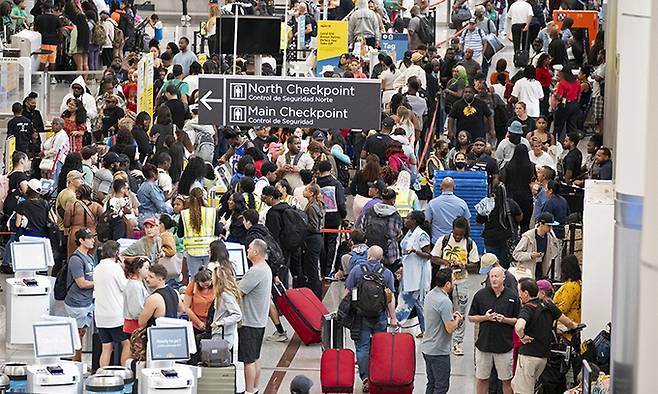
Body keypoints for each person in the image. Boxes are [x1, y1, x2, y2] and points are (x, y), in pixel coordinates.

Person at [344, 245, 398, 392]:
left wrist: (345, 312)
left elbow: (348, 292)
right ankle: (378, 377)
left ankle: (365, 378)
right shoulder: (386, 274)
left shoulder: (357, 270)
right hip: (379, 316)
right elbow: (390, 298)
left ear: (368, 256)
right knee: (380, 347)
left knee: (362, 347)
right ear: (381, 258)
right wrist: (392, 318)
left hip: (360, 317)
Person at [512, 278, 578, 394]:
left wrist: (522, 337)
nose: (519, 295)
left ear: (526, 293)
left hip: (529, 356)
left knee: (522, 391)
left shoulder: (527, 309)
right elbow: (567, 322)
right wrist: (574, 326)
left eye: (520, 292)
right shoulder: (548, 305)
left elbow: (519, 326)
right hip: (543, 357)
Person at [431, 217, 480, 355]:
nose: (458, 237)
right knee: (441, 311)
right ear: (452, 230)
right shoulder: (444, 240)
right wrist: (446, 262)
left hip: (461, 283)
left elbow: (475, 264)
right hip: (444, 283)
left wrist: (463, 265)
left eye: (461, 234)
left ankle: (457, 343)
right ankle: (441, 340)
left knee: (460, 313)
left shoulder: (470, 244)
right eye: (456, 234)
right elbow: (433, 257)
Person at [468, 266, 520, 394]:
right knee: (481, 379)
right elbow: (471, 317)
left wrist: (504, 319)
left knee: (506, 380)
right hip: (484, 346)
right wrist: (485, 317)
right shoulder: (480, 295)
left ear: (503, 278)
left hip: (504, 347)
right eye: (491, 277)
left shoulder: (512, 296)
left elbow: (518, 320)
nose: (494, 279)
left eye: (496, 276)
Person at [422, 268, 465, 394]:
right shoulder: (445, 301)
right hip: (439, 351)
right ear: (447, 284)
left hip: (427, 348)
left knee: (431, 383)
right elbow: (450, 328)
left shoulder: (430, 295)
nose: (454, 282)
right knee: (441, 387)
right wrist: (458, 319)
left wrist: (451, 316)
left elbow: (438, 316)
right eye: (453, 280)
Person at [238, 239, 273, 394]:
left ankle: (248, 390)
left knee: (248, 360)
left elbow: (238, 292)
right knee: (255, 356)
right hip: (259, 319)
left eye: (249, 248)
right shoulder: (265, 268)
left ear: (256, 252)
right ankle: (255, 388)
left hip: (250, 320)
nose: (247, 250)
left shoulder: (256, 271)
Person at [395, 211, 432, 337]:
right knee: (418, 303)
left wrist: (416, 251)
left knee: (409, 301)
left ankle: (397, 323)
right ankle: (425, 329)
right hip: (409, 272)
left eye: (408, 218)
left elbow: (428, 255)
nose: (405, 220)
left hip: (418, 274)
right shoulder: (409, 234)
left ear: (414, 221)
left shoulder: (421, 235)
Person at [94, 240, 130, 366]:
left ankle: (102, 373)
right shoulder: (115, 268)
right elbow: (125, 287)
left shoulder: (97, 268)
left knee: (106, 347)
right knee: (126, 344)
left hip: (100, 315)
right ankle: (125, 372)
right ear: (116, 253)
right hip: (115, 315)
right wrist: (123, 268)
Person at [64, 228, 96, 362]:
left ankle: (78, 362)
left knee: (82, 333)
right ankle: (77, 363)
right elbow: (81, 283)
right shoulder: (76, 260)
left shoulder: (90, 257)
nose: (92, 240)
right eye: (89, 238)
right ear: (81, 241)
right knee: (78, 334)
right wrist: (99, 283)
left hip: (87, 301)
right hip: (77, 302)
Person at [476, 183, 523, 268]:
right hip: (507, 240)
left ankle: (492, 278)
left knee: (491, 265)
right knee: (504, 265)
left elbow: (479, 220)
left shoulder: (487, 205)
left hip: (491, 239)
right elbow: (519, 217)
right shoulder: (511, 203)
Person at [178, 187, 222, 274]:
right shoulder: (212, 212)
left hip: (192, 251)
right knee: (211, 278)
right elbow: (217, 231)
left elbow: (180, 234)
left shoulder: (184, 214)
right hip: (209, 250)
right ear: (203, 197)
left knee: (195, 279)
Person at [316, 160, 348, 277]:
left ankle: (322, 266)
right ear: (330, 169)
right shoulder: (336, 184)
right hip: (334, 217)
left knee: (322, 243)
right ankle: (328, 269)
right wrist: (343, 215)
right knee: (332, 243)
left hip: (320, 217)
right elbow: (340, 202)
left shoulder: (316, 184)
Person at [359, 188, 403, 268]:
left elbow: (362, 228)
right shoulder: (395, 215)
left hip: (371, 252)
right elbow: (396, 234)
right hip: (389, 255)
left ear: (382, 198)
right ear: (393, 200)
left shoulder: (370, 211)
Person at [512, 212, 561, 280]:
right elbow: (516, 254)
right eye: (548, 226)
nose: (550, 228)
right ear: (541, 224)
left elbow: (554, 255)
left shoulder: (549, 237)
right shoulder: (528, 236)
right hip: (528, 273)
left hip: (542, 272)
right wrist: (530, 255)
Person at [425, 177, 470, 244]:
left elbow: (427, 223)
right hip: (455, 242)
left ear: (441, 187)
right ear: (454, 187)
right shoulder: (462, 203)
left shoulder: (432, 203)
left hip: (437, 242)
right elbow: (467, 224)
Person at [501, 144, 535, 232]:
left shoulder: (508, 166)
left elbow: (503, 181)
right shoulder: (531, 166)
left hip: (511, 198)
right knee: (525, 225)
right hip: (526, 198)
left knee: (512, 224)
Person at [209, 258, 242, 349]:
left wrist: (220, 322)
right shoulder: (222, 294)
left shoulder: (225, 295)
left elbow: (237, 314)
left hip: (223, 334)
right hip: (222, 333)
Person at [138, 263, 184, 328]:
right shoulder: (175, 292)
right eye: (147, 276)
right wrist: (171, 321)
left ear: (160, 279)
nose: (147, 279)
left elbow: (141, 322)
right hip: (173, 333)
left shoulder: (154, 298)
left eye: (151, 277)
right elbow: (181, 310)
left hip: (157, 335)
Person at [63, 184, 103, 257]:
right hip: (91, 234)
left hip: (75, 234)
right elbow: (103, 223)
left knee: (74, 257)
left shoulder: (72, 206)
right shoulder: (97, 206)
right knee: (90, 259)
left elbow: (66, 224)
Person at [302, 183, 325, 298]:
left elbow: (314, 226)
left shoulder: (311, 207)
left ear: (311, 193)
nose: (304, 191)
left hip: (313, 239)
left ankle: (315, 294)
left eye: (306, 190)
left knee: (313, 268)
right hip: (317, 239)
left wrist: (302, 224)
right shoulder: (317, 205)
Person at [123, 257, 150, 335]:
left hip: (136, 323)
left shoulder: (137, 284)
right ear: (138, 269)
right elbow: (136, 310)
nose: (148, 271)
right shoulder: (135, 286)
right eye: (146, 268)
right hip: (135, 325)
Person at [553, 68, 582, 143]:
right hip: (575, 105)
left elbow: (559, 96)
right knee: (572, 125)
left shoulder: (562, 83)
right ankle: (572, 142)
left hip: (565, 104)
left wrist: (554, 93)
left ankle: (557, 142)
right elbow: (579, 95)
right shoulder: (577, 82)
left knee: (559, 125)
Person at [184, 267, 215, 334]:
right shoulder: (192, 286)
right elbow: (186, 307)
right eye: (203, 285)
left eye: (207, 285)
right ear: (197, 282)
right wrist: (199, 322)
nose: (205, 287)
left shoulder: (216, 285)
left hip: (213, 322)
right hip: (196, 322)